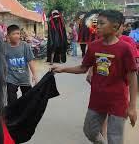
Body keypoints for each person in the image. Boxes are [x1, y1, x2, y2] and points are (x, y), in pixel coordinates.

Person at [52, 10, 138, 144]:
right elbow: (83, 68)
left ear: (115, 27)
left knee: (115, 138)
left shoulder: (125, 48)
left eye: (102, 23)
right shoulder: (93, 46)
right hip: (97, 99)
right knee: (90, 131)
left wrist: (132, 106)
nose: (97, 26)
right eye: (96, 23)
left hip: (118, 101)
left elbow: (132, 78)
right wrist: (63, 69)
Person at [4, 25, 38, 105]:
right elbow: (1, 62)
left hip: (24, 77)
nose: (16, 36)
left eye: (18, 33)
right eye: (14, 34)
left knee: (28, 99)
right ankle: (13, 116)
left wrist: (34, 75)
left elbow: (30, 61)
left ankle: (25, 115)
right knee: (11, 100)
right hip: (10, 78)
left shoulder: (24, 45)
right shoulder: (4, 47)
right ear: (8, 35)